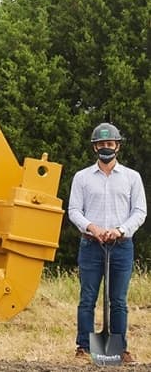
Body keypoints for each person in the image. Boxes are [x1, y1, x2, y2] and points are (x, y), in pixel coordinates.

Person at [67, 122, 146, 364]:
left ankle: (119, 348)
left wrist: (120, 230)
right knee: (87, 298)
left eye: (109, 144)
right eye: (101, 144)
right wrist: (94, 228)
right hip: (91, 245)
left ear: (117, 146)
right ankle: (83, 347)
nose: (105, 148)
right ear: (94, 148)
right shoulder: (82, 177)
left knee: (118, 300)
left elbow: (140, 211)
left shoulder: (132, 177)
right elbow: (74, 211)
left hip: (121, 246)